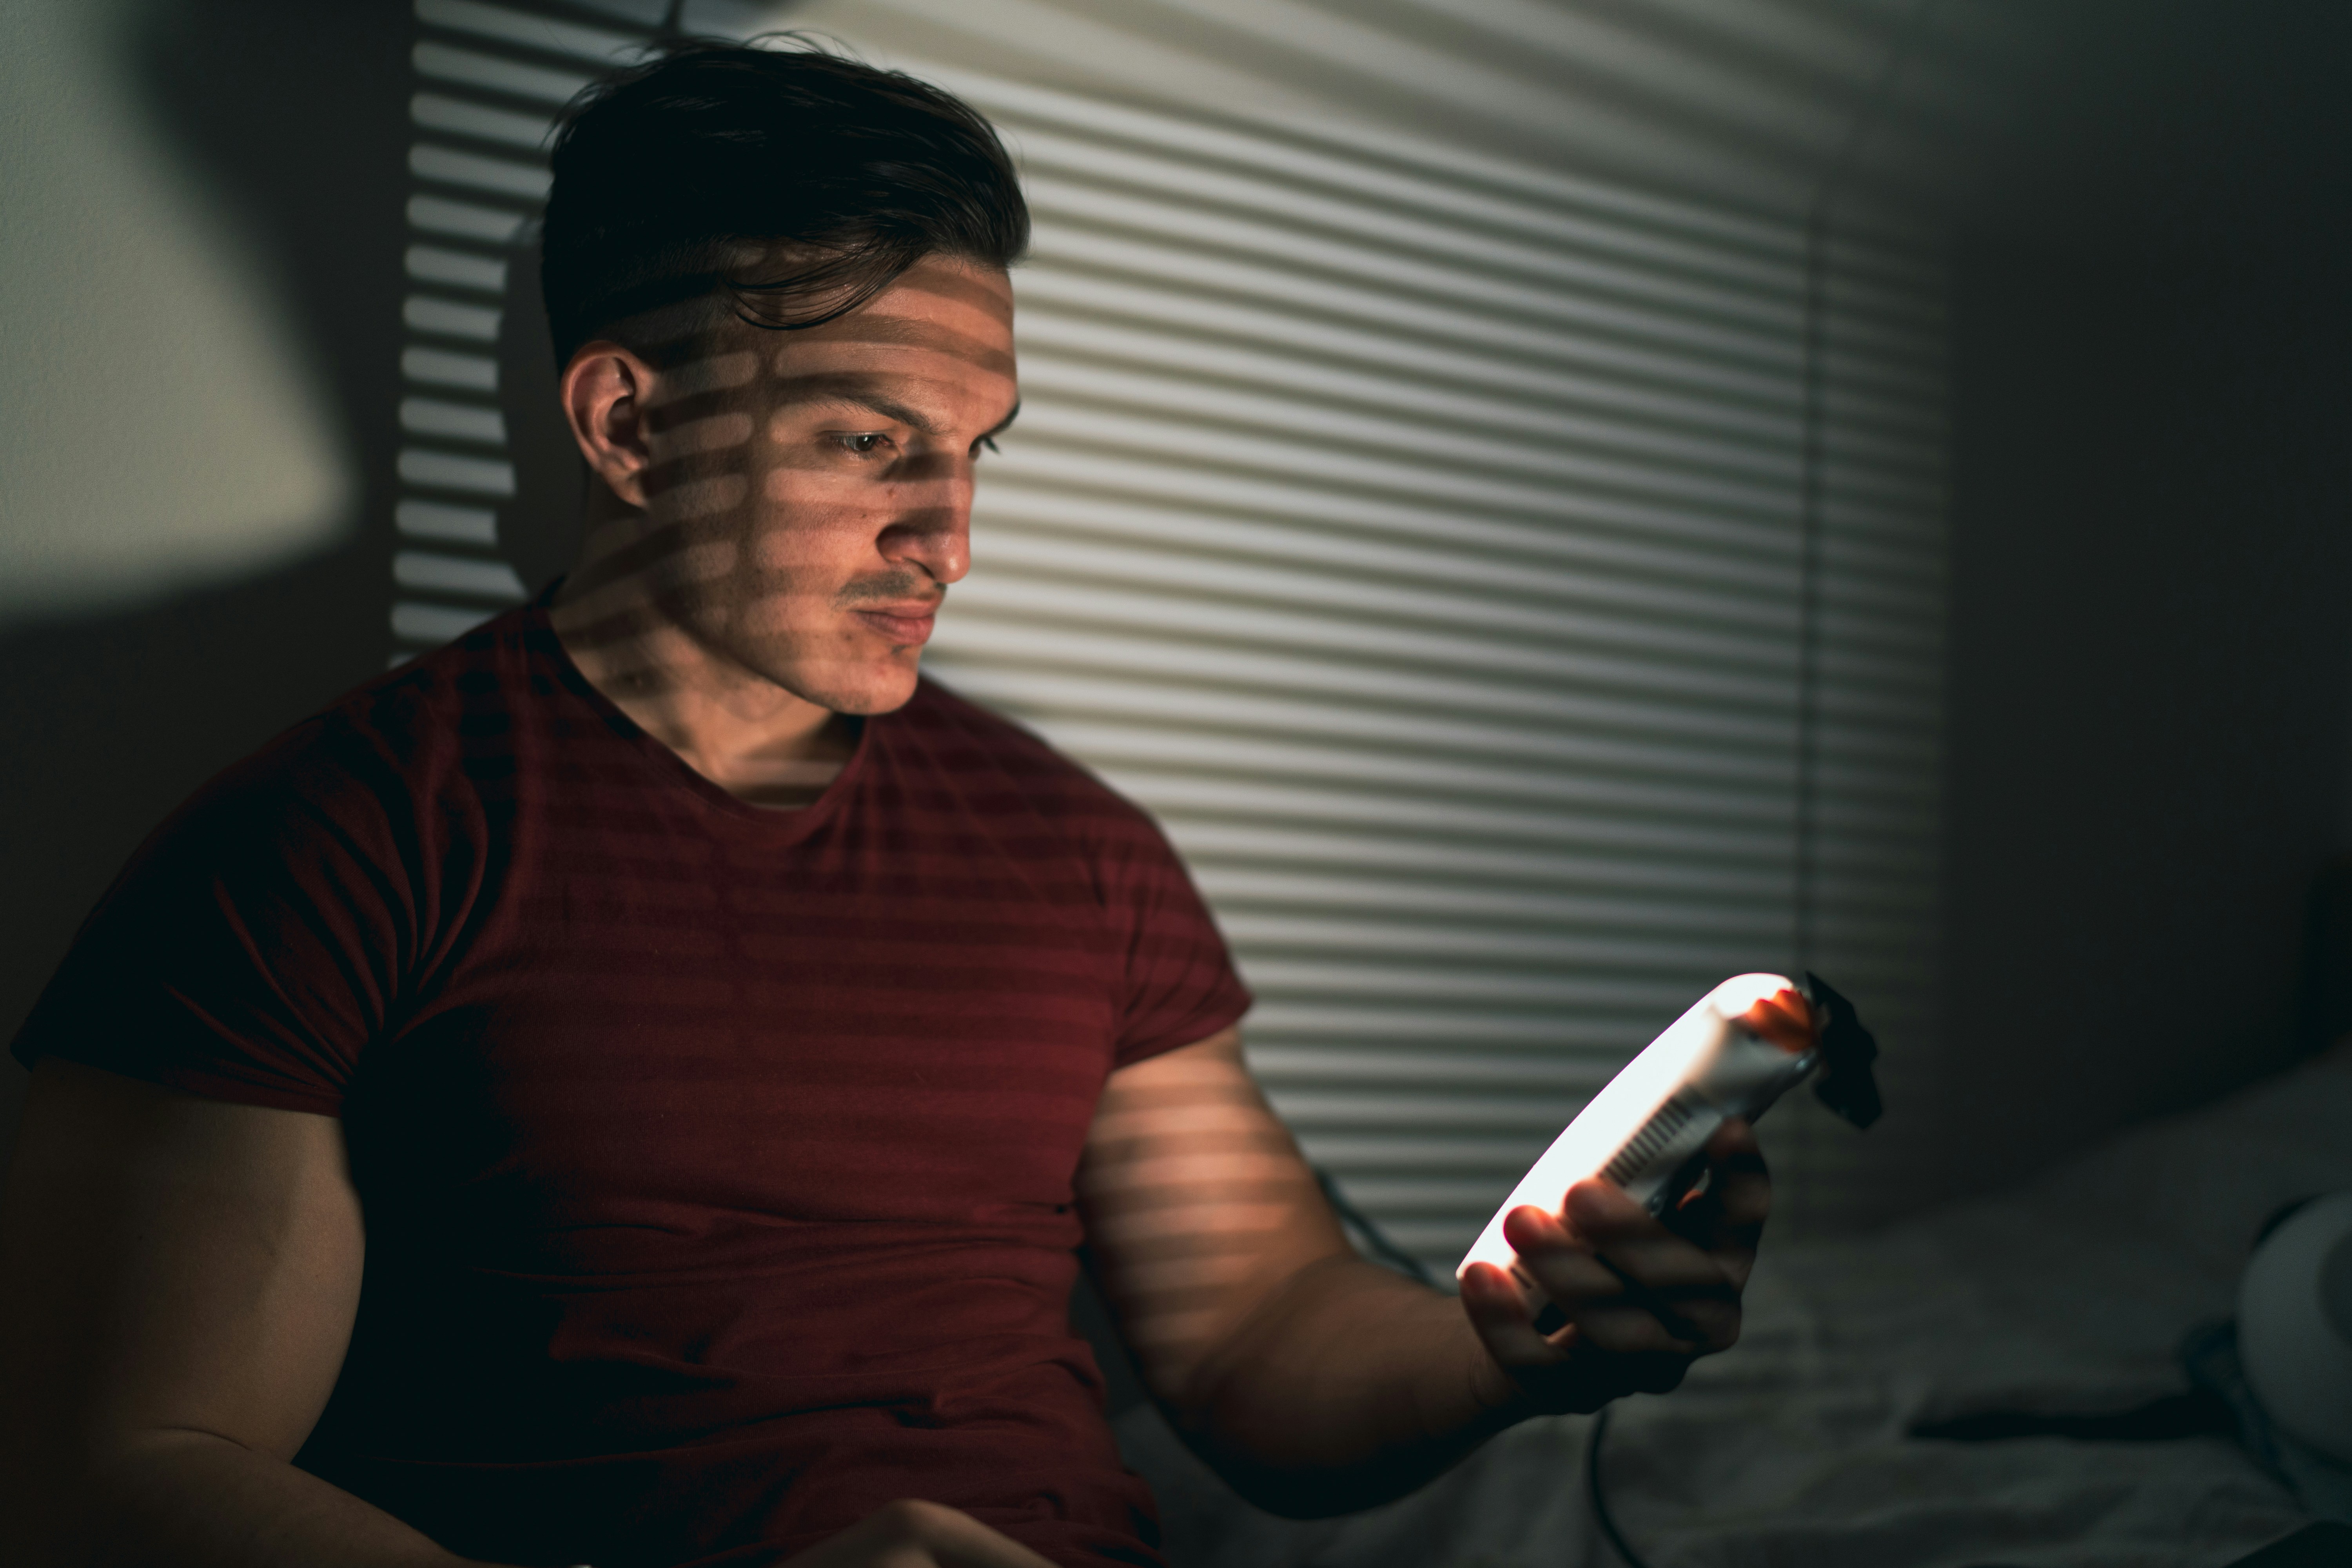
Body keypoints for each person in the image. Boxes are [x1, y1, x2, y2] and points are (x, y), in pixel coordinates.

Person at [0, 40, 1773, 1568]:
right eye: (870, 441)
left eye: (972, 448)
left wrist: (1514, 1343)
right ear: (629, 426)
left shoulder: (1072, 852)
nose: (950, 537)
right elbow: (123, 1474)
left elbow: (1255, 1343)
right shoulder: (337, 841)